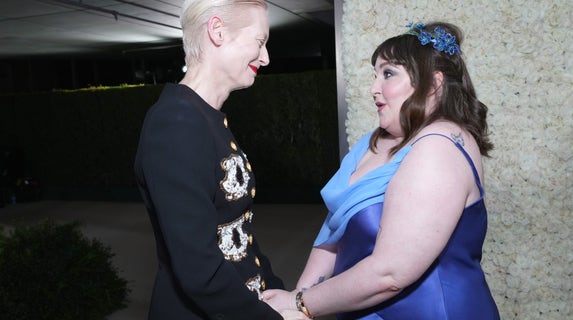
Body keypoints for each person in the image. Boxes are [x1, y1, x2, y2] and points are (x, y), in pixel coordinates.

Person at [263, 21, 501, 319]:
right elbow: (334, 229)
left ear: (434, 83)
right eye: (374, 74)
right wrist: (299, 301)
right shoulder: (373, 141)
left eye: (388, 73)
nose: (374, 88)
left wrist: (300, 303)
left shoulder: (440, 146)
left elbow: (390, 273)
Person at [134, 1, 305, 319]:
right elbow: (200, 271)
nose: (266, 57)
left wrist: (275, 290)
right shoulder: (175, 123)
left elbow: (238, 233)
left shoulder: (204, 117)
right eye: (259, 41)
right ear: (217, 31)